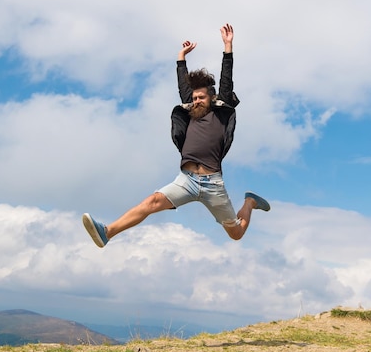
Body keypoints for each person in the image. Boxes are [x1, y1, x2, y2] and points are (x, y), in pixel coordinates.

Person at [82, 23, 270, 248]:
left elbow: (226, 80)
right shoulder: (189, 113)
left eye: (201, 97)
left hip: (213, 184)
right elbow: (183, 86)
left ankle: (249, 202)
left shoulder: (221, 113)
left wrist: (228, 46)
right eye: (195, 98)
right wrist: (181, 57)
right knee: (152, 202)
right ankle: (107, 232)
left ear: (211, 97)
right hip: (186, 180)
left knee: (236, 233)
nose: (197, 101)